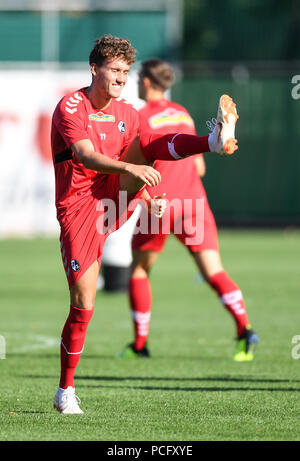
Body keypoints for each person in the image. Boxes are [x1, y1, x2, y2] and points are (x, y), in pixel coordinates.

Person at [51, 35, 239, 414]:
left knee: (149, 142)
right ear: (94, 68)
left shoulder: (128, 111)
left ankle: (213, 140)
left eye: (125, 71)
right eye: (114, 70)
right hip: (82, 209)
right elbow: (86, 155)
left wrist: (148, 197)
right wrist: (131, 170)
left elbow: (144, 151)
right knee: (84, 303)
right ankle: (65, 391)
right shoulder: (72, 105)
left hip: (117, 194)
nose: (121, 77)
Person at [117, 58, 258, 362]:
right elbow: (200, 166)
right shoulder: (182, 112)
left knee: (140, 269)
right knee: (214, 272)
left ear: (148, 82)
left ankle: (140, 345)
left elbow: (136, 168)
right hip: (194, 203)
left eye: (139, 77)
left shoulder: (140, 117)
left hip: (160, 204)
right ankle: (244, 331)